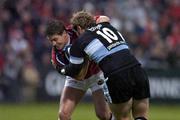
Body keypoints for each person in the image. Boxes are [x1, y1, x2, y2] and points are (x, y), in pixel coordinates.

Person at [58, 11, 150, 120]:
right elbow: (104, 18)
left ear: (78, 28)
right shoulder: (107, 25)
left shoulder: (80, 41)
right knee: (141, 116)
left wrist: (62, 69)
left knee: (123, 117)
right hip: (137, 69)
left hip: (116, 74)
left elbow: (75, 69)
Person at [45, 19, 114, 120]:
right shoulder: (56, 56)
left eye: (55, 39)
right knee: (63, 115)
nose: (54, 44)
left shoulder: (77, 29)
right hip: (76, 78)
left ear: (64, 33)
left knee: (103, 114)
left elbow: (100, 19)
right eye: (51, 41)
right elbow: (79, 75)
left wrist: (100, 19)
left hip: (97, 74)